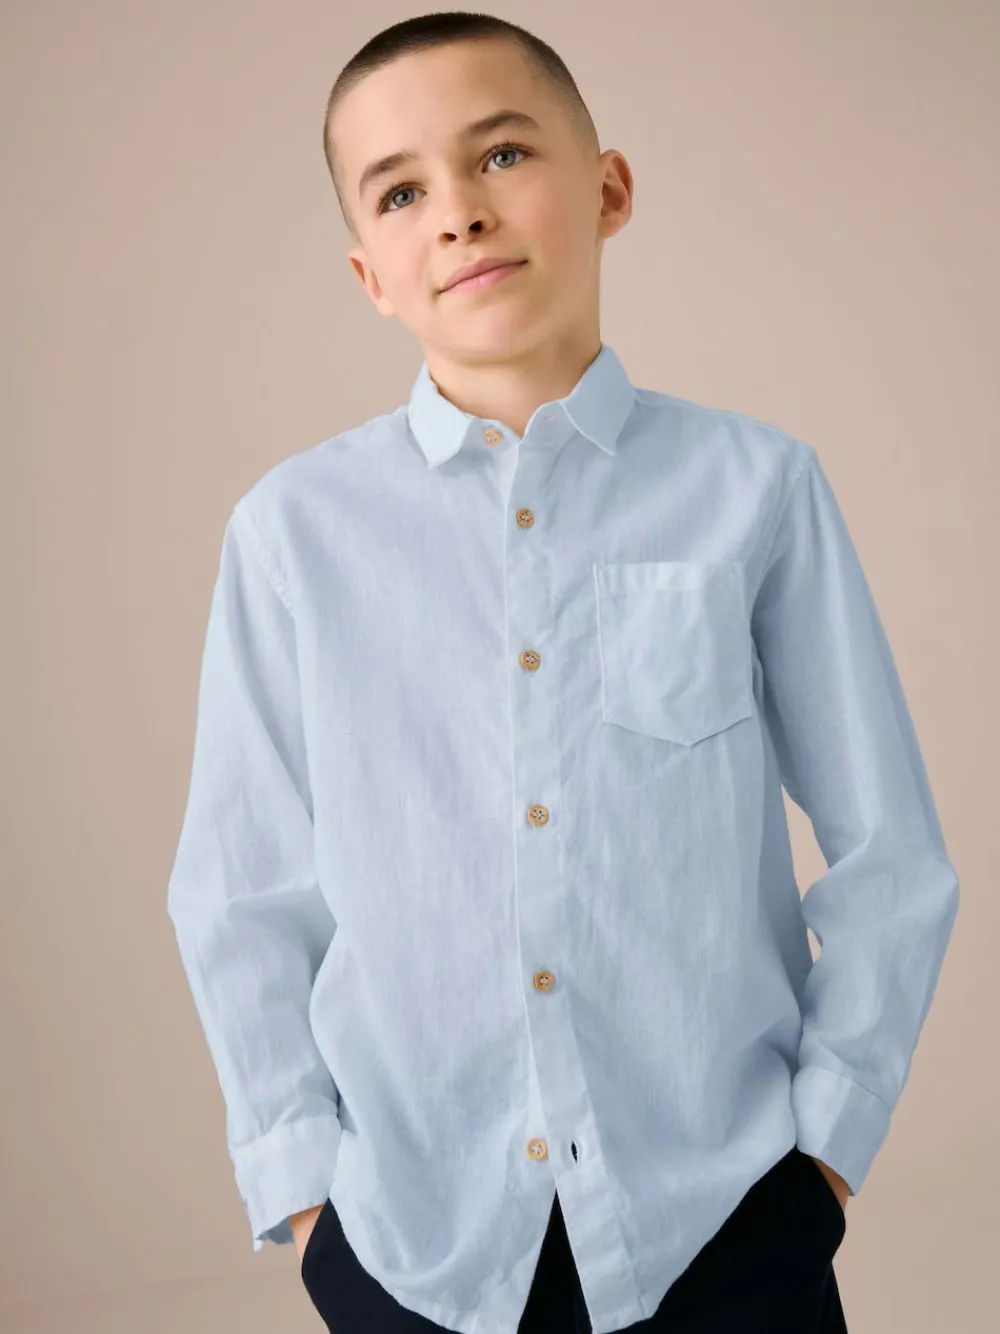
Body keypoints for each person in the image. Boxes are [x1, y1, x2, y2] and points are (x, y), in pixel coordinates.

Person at [165, 11, 960, 1334]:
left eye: (502, 155)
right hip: (418, 1246)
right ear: (370, 274)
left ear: (609, 189)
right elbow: (237, 895)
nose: (460, 214)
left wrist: (822, 1157)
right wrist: (307, 1208)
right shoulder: (292, 536)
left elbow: (893, 855)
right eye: (402, 192)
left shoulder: (757, 488)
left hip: (724, 1223)